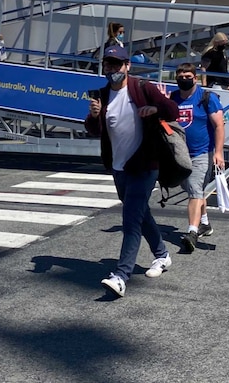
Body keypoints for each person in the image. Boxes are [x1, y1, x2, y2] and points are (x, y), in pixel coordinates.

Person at [85, 44, 179, 298]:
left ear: (128, 66)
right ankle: (162, 255)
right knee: (140, 213)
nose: (113, 69)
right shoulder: (103, 95)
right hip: (119, 167)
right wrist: (94, 116)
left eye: (117, 64)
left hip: (145, 165)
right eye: (108, 64)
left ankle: (121, 275)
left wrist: (156, 108)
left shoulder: (141, 88)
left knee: (130, 219)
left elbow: (174, 111)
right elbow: (95, 131)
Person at [170, 63, 224, 252]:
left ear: (195, 77)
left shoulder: (206, 98)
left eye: (188, 76)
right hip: (181, 154)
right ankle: (204, 223)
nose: (184, 80)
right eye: (180, 76)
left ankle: (192, 232)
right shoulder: (173, 98)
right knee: (193, 189)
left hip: (202, 152)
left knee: (194, 189)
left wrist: (218, 152)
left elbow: (219, 125)